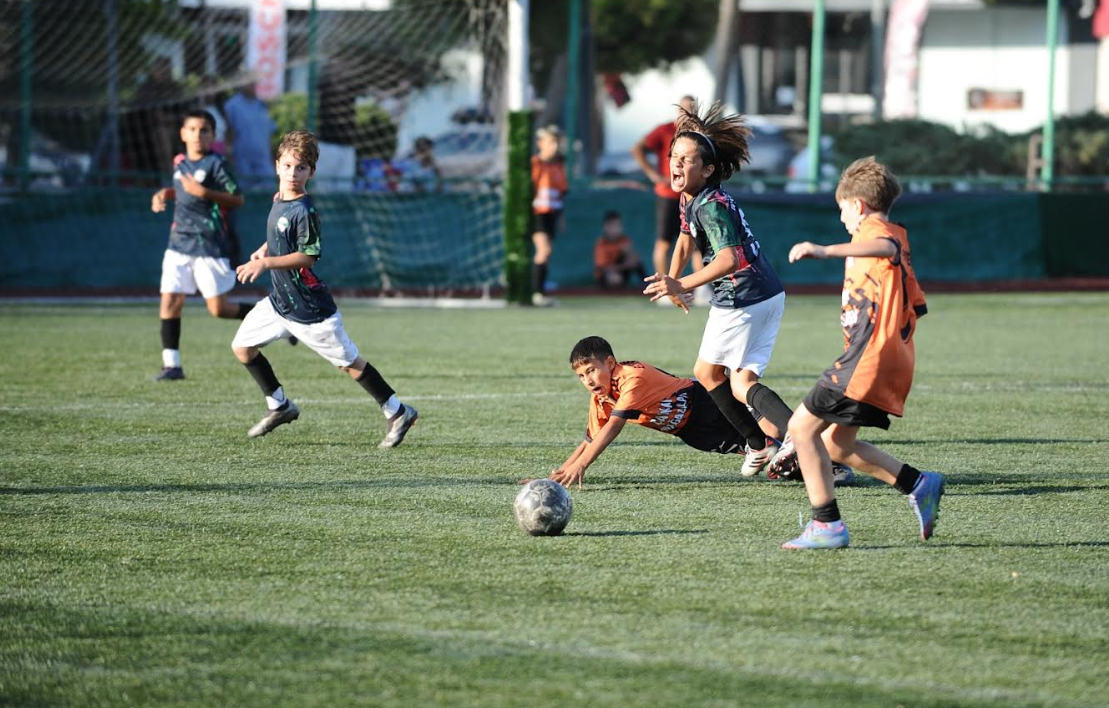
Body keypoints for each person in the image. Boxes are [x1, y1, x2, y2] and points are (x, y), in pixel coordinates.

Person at [779, 156, 941, 550]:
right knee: (836, 445)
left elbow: (884, 246)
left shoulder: (878, 233)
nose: (841, 219)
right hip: (885, 355)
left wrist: (823, 250)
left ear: (857, 204)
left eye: (842, 210)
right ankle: (917, 483)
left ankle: (827, 525)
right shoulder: (895, 238)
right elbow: (916, 304)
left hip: (868, 357)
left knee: (801, 429)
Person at [642, 99, 799, 479]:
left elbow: (729, 259)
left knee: (709, 374)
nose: (677, 164)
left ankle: (764, 443)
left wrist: (682, 283)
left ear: (708, 169)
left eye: (687, 159)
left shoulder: (710, 206)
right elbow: (684, 240)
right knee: (742, 381)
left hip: (742, 297)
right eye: (674, 156)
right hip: (767, 293)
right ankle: (792, 444)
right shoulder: (691, 197)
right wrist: (672, 282)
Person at [231, 130, 418, 446]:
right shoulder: (279, 198)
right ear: (277, 166)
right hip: (280, 303)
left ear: (311, 172)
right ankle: (279, 406)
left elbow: (308, 256)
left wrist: (266, 264)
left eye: (301, 168)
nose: (293, 173)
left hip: (310, 309)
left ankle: (398, 411)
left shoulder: (305, 210)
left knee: (350, 364)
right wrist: (265, 249)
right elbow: (280, 236)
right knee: (242, 347)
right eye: (287, 166)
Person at [549, 336, 753, 489]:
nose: (588, 380)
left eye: (591, 370)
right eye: (581, 376)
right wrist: (559, 476)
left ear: (610, 363)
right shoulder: (600, 398)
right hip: (690, 431)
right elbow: (590, 441)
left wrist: (582, 465)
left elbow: (613, 426)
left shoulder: (632, 378)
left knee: (760, 432)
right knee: (753, 450)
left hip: (704, 402)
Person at [150, 109, 250, 381]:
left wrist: (204, 192)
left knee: (219, 309)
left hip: (209, 244)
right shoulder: (180, 162)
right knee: (170, 301)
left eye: (204, 130)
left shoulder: (218, 164)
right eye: (192, 129)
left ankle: (273, 318)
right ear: (183, 133)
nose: (197, 135)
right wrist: (164, 194)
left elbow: (237, 199)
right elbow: (181, 190)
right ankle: (172, 365)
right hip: (178, 243)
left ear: (213, 135)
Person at [631, 96, 708, 302]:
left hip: (693, 196)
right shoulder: (665, 130)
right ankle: (664, 289)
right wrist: (653, 175)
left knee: (698, 244)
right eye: (684, 109)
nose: (688, 113)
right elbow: (637, 148)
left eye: (692, 109)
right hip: (669, 196)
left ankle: (702, 289)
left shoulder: (700, 135)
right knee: (664, 244)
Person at [530, 125, 568, 307]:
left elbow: (560, 194)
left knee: (547, 253)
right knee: (543, 250)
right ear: (540, 144)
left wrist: (561, 218)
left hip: (551, 215)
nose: (555, 146)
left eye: (557, 142)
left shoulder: (559, 166)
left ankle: (539, 290)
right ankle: (536, 292)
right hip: (537, 214)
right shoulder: (534, 164)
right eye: (551, 142)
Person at [223, 81, 277, 188]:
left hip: (263, 159)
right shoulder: (232, 105)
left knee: (269, 190)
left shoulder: (263, 106)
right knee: (244, 191)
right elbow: (229, 132)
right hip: (241, 160)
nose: (250, 85)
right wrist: (229, 155)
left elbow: (269, 135)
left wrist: (273, 159)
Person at [593, 211, 646, 288]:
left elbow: (635, 260)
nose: (616, 229)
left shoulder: (624, 240)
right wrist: (624, 266)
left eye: (618, 225)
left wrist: (630, 254)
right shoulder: (602, 243)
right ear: (606, 227)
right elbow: (603, 268)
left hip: (621, 273)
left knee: (637, 262)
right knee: (614, 278)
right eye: (613, 226)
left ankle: (646, 285)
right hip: (606, 277)